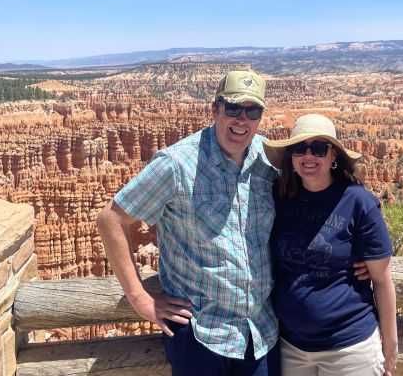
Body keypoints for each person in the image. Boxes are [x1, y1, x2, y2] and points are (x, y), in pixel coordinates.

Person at [96, 69, 281, 376]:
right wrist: (139, 297)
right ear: (215, 109)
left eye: (252, 111)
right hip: (199, 335)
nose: (241, 120)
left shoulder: (268, 159)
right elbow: (110, 219)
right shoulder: (177, 164)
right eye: (232, 109)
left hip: (260, 333)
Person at [263, 114, 398, 376]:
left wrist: (390, 343)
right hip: (291, 346)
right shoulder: (278, 196)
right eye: (300, 148)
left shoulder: (358, 202)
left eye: (319, 148)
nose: (308, 156)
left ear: (334, 155)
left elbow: (382, 280)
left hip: (350, 348)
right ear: (291, 156)